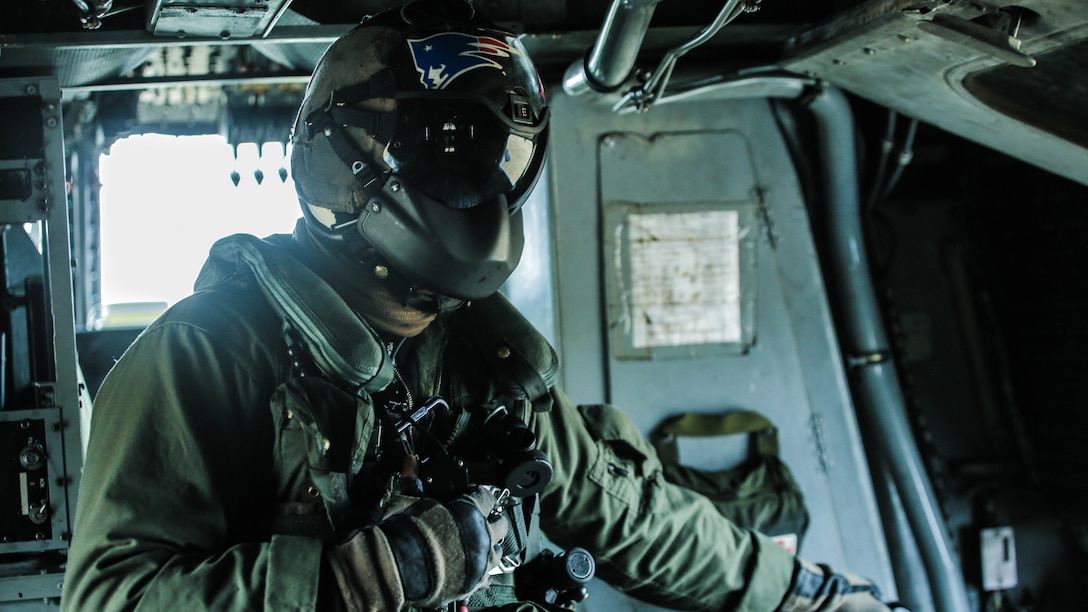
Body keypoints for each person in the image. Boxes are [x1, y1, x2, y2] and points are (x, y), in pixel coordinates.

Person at [61, 1, 895, 610]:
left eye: (490, 155)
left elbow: (629, 515)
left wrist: (806, 596)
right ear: (346, 164)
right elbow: (110, 598)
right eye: (441, 153)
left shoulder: (486, 363)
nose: (473, 189)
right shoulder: (203, 354)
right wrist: (366, 579)